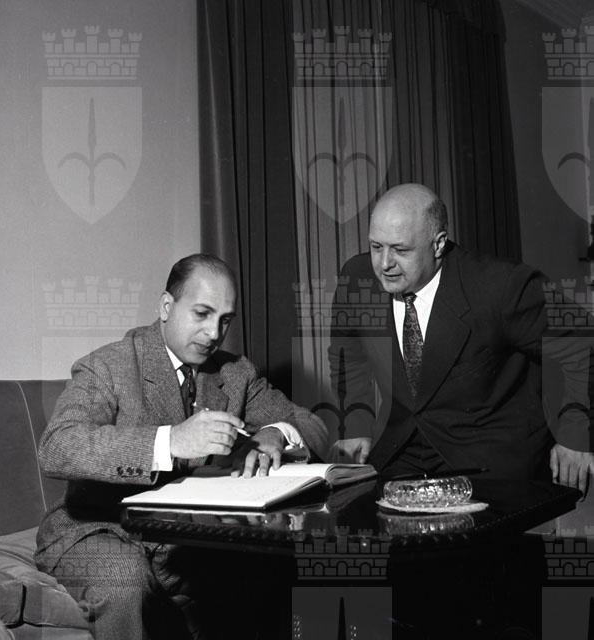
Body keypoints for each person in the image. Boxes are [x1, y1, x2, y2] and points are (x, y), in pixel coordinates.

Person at [35, 254, 328, 640]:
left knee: (278, 565)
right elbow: (57, 446)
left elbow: (314, 426)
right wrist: (169, 441)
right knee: (124, 581)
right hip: (97, 529)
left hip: (186, 541)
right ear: (166, 307)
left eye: (225, 320)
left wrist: (274, 432)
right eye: (202, 313)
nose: (214, 333)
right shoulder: (108, 366)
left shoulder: (235, 373)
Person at [329, 182, 594, 487]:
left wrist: (576, 435)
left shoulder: (501, 285)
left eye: (400, 250)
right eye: (376, 247)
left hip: (491, 461)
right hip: (399, 454)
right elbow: (347, 355)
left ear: (438, 244)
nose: (384, 264)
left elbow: (583, 345)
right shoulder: (358, 277)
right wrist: (356, 425)